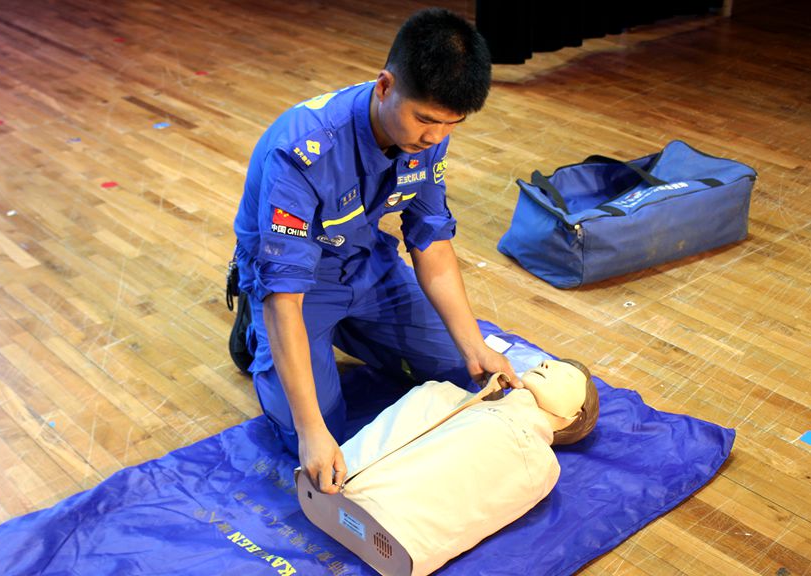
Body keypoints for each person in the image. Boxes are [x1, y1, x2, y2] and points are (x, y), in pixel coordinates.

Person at [231, 8, 515, 496]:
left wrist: (473, 344)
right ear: (384, 86)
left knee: (462, 374)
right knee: (325, 439)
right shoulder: (302, 150)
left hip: (365, 264)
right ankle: (255, 331)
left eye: (451, 124)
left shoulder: (428, 138)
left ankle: (348, 328)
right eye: (425, 119)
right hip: (294, 283)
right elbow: (287, 297)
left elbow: (432, 243)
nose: (435, 137)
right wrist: (311, 431)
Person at [331, 358, 600, 576]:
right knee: (434, 393)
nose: (545, 365)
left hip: (395, 538)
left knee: (490, 432)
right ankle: (340, 479)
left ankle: (375, 508)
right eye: (546, 362)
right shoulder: (441, 394)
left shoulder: (536, 459)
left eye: (566, 376)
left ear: (572, 418)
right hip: (329, 487)